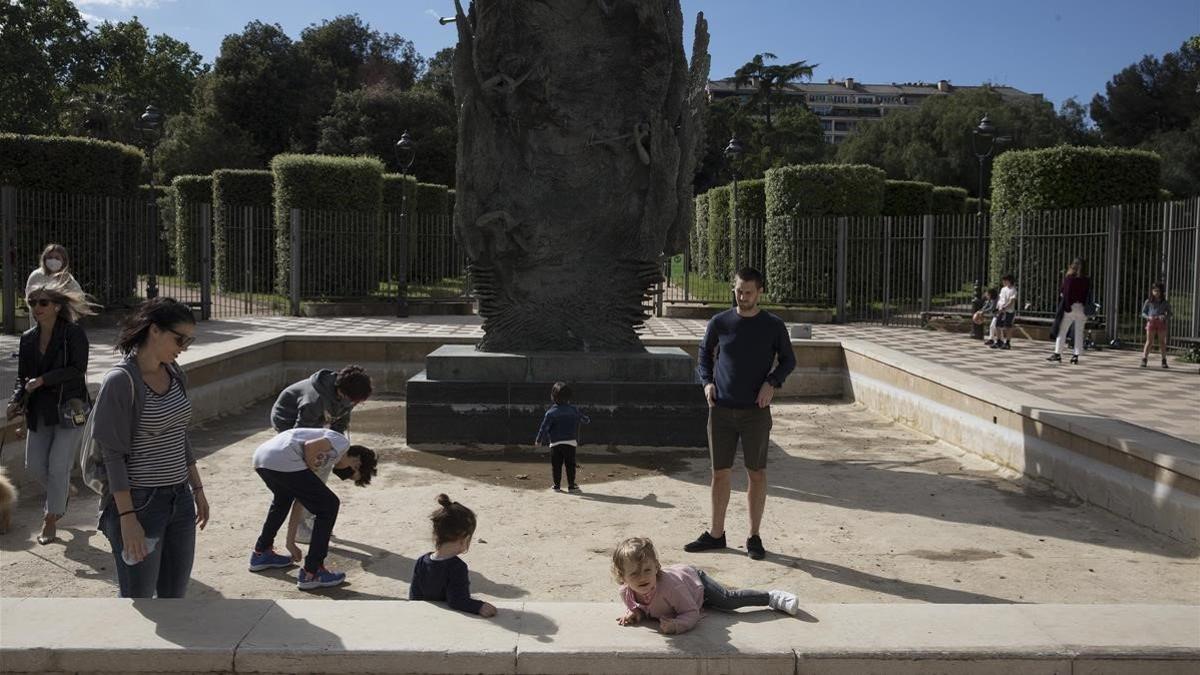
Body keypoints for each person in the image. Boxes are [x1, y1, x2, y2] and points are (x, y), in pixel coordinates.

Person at [93, 298, 209, 598]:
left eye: (189, 340)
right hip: (141, 503)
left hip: (179, 499)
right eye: (180, 338)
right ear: (154, 331)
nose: (184, 347)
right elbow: (113, 456)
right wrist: (127, 518)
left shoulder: (174, 373)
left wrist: (197, 489)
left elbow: (178, 435)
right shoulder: (120, 381)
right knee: (140, 600)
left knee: (174, 598)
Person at [687, 267, 795, 561]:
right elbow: (703, 355)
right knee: (719, 473)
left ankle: (754, 536)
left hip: (755, 412)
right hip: (720, 409)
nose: (743, 297)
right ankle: (716, 534)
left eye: (748, 292)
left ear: (760, 292)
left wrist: (771, 383)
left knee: (756, 473)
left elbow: (788, 360)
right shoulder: (719, 322)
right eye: (738, 291)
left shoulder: (772, 325)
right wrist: (707, 382)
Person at [10, 280, 96, 545]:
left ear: (57, 306)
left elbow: (77, 368)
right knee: (34, 465)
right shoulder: (27, 339)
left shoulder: (73, 334)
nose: (37, 307)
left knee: (58, 466)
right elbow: (23, 377)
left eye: (43, 302)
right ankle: (61, 492)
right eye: (32, 303)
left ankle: (50, 517)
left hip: (71, 408)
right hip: (40, 410)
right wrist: (16, 400)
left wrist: (44, 380)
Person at [247, 427, 377, 590]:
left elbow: (300, 501)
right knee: (329, 506)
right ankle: (312, 572)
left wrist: (290, 543)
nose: (344, 475)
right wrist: (309, 468)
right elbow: (310, 446)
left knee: (283, 500)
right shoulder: (342, 442)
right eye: (350, 474)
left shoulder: (325, 461)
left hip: (263, 458)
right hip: (283, 457)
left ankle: (261, 553)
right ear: (357, 462)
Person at [269, 365, 372, 543]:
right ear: (342, 392)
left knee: (323, 465)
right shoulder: (314, 400)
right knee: (311, 475)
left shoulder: (347, 397)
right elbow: (301, 436)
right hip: (288, 423)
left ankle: (311, 518)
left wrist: (337, 451)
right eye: (353, 401)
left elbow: (339, 425)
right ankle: (300, 528)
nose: (353, 404)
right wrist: (311, 465)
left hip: (312, 426)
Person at [613, 536, 798, 635]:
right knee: (706, 603)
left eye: (647, 570)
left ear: (656, 568)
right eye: (634, 573)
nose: (642, 577)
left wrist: (677, 625)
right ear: (623, 577)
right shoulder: (626, 593)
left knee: (727, 601)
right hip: (683, 596)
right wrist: (635, 613)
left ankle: (772, 597)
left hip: (696, 583)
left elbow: (692, 613)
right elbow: (646, 607)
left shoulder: (670, 587)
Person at [409, 493, 498, 617]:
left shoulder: (421, 561)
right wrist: (479, 607)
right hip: (447, 621)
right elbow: (457, 600)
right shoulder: (457, 567)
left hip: (426, 617)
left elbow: (414, 596)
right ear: (464, 538)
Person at [535, 381, 591, 493]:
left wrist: (539, 440)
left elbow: (544, 428)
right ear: (569, 397)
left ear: (553, 397)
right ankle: (571, 486)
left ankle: (557, 486)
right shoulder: (573, 410)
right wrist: (587, 419)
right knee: (570, 465)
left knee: (556, 466)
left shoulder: (550, 413)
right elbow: (584, 419)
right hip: (570, 443)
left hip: (555, 444)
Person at [26, 244, 83, 330]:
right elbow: (30, 301)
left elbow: (80, 297)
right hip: (41, 322)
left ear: (63, 261)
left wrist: (69, 282)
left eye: (57, 258)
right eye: (50, 257)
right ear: (44, 259)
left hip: (63, 323)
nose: (53, 261)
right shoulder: (36, 276)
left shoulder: (67, 277)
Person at [1048, 258, 1090, 365]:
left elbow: (1065, 293)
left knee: (1062, 330)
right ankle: (1075, 356)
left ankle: (1057, 354)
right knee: (1079, 332)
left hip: (1070, 307)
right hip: (1081, 307)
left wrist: (1067, 307)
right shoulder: (1086, 279)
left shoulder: (1069, 278)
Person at [1140, 282, 1172, 369]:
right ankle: (1144, 359)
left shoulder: (1165, 302)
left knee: (1162, 342)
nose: (1156, 293)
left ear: (1162, 292)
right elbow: (1143, 313)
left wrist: (1164, 316)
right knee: (1149, 342)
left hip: (1161, 323)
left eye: (1158, 291)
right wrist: (1148, 317)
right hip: (1151, 322)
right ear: (1152, 291)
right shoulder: (1148, 301)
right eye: (1154, 291)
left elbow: (1170, 313)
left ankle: (1164, 360)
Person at [992, 275, 1018, 350]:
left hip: (1009, 311)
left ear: (1009, 281)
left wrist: (1005, 307)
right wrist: (997, 307)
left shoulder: (1013, 290)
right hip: (1000, 310)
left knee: (1008, 327)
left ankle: (1007, 343)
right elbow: (1000, 299)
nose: (1003, 282)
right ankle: (999, 341)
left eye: (1005, 280)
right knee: (997, 325)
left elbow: (1011, 301)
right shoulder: (1003, 289)